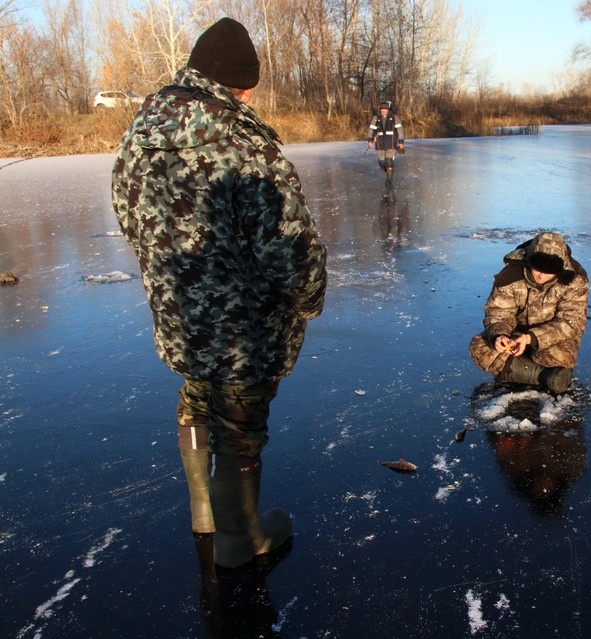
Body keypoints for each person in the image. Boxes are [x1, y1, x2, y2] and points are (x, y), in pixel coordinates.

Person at [112, 17, 327, 568]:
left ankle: (205, 513)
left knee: (197, 398)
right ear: (242, 86)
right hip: (242, 324)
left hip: (179, 313)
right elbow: (287, 244)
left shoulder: (140, 134)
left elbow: (130, 217)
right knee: (239, 421)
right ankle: (239, 537)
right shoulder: (242, 143)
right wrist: (309, 298)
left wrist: (172, 278)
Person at [469, 232, 588, 394]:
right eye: (537, 268)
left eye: (549, 271)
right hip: (516, 334)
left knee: (556, 357)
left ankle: (520, 370)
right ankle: (543, 376)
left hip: (552, 337)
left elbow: (571, 322)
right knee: (480, 347)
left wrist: (531, 338)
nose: (541, 275)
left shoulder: (575, 280)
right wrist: (500, 336)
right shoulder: (511, 274)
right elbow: (498, 312)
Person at [366, 100, 405, 185]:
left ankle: (389, 180)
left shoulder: (394, 117)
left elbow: (400, 130)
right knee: (382, 163)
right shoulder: (376, 118)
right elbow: (371, 129)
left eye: (385, 109)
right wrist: (370, 139)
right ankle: (389, 170)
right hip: (379, 144)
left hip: (391, 143)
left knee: (389, 161)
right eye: (381, 109)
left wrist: (401, 142)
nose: (383, 110)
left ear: (388, 109)